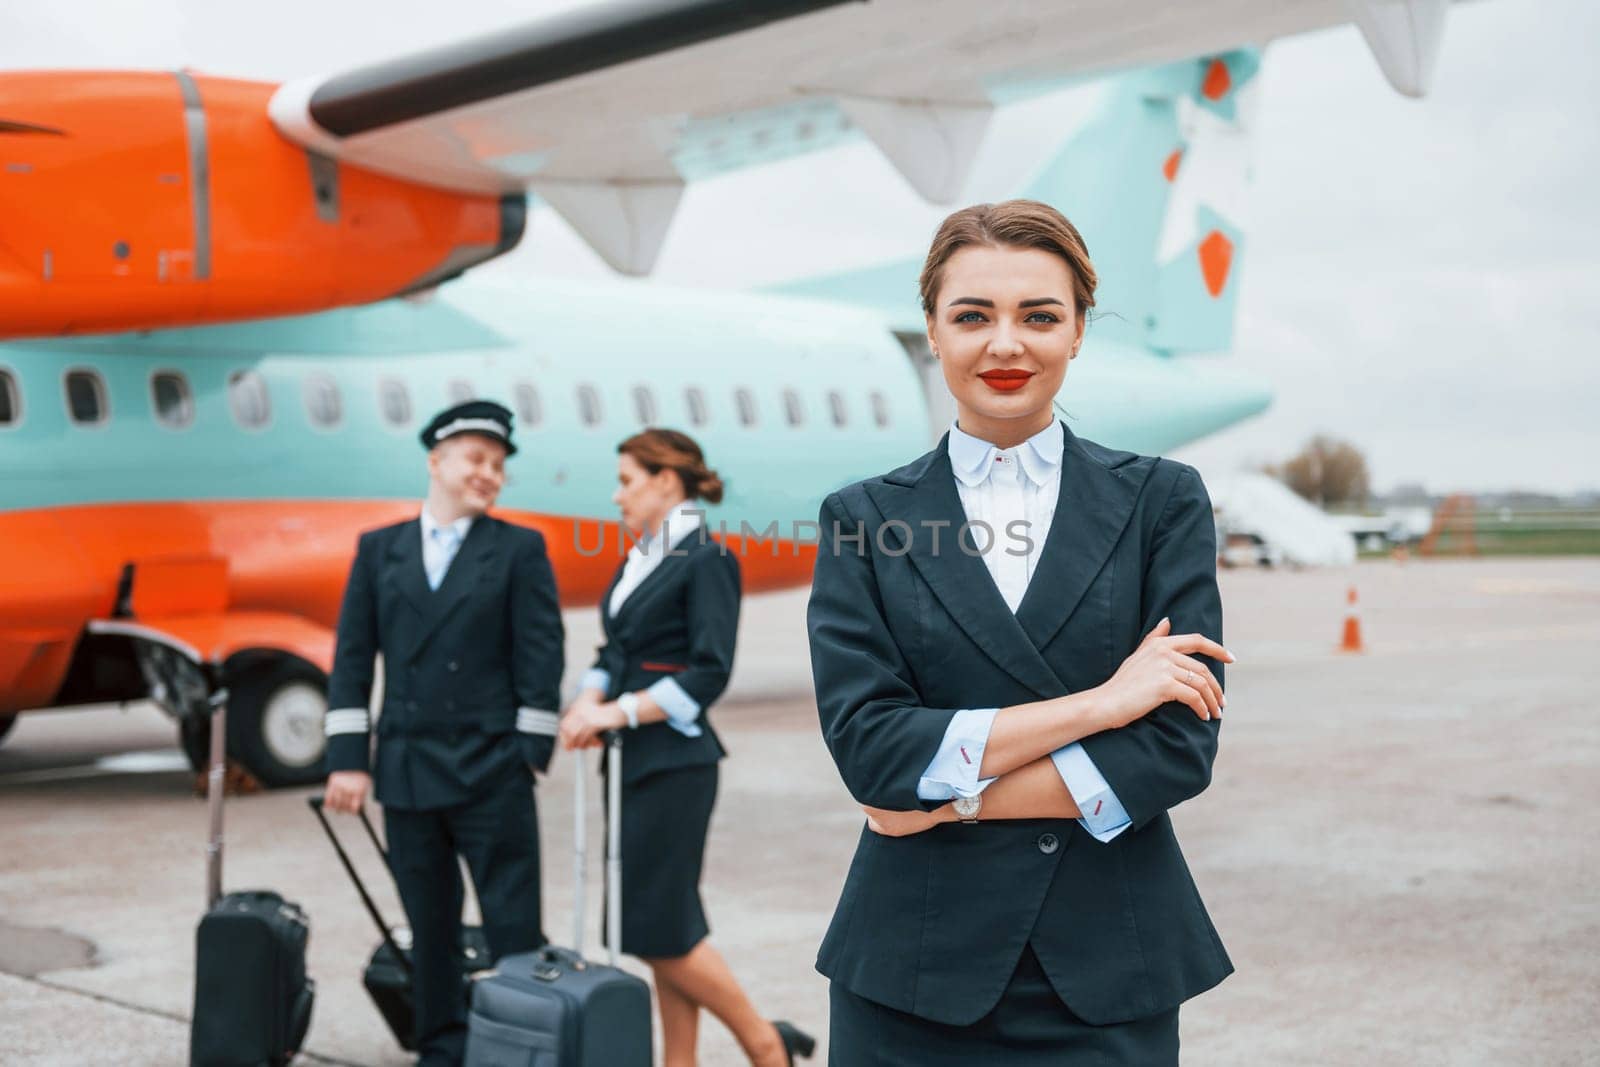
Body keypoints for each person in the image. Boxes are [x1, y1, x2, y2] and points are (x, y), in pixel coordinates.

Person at [806, 200, 1237, 1064]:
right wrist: (1103, 703)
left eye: (1039, 315)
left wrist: (950, 800)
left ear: (1079, 330)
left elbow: (1175, 749)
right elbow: (873, 753)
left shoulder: (1163, 500)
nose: (1006, 344)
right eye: (973, 315)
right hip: (912, 969)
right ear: (932, 329)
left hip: (1108, 965)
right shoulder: (863, 517)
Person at [559, 428, 814, 1067]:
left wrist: (615, 710)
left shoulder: (707, 560)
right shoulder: (639, 556)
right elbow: (616, 650)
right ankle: (681, 1061)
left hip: (676, 763)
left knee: (654, 927)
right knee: (668, 923)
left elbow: (708, 673)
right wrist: (587, 699)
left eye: (626, 480)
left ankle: (763, 1042)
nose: (616, 495)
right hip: (632, 760)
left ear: (665, 481)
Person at [322, 400, 564, 1067]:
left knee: (514, 925)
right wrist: (348, 758)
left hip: (493, 771)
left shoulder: (519, 548)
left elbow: (541, 658)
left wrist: (528, 755)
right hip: (407, 770)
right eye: (476, 459)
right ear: (437, 460)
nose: (489, 474)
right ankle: (441, 1047)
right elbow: (351, 657)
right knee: (429, 928)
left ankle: (522, 1044)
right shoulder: (379, 550)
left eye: (498, 464)